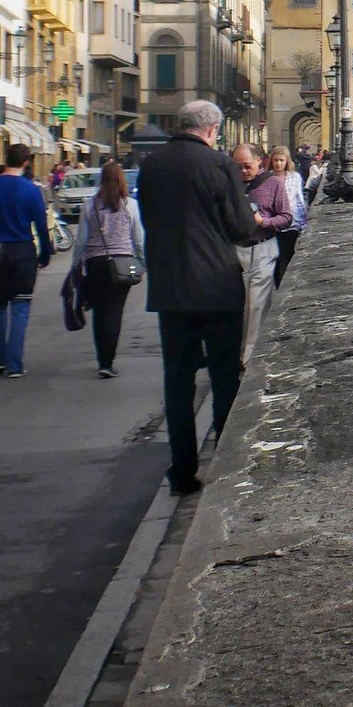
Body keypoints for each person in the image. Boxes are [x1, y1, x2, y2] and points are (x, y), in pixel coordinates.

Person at [139, 100, 261, 496]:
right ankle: (226, 467)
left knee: (177, 382)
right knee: (224, 377)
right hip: (216, 287)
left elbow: (148, 220)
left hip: (171, 290)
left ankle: (182, 471)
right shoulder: (219, 165)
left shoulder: (151, 165)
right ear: (212, 129)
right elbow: (242, 226)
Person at [0, 144, 55, 376]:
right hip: (21, 251)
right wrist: (45, 254)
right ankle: (14, 364)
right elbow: (41, 225)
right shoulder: (30, 190)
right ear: (26, 163)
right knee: (20, 306)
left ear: (5, 159)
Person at [68, 160, 145, 377]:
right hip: (123, 264)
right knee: (115, 312)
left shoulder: (89, 205)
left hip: (96, 264)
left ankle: (102, 359)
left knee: (100, 312)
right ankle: (108, 361)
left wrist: (76, 264)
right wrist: (142, 261)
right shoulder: (130, 205)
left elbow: (81, 240)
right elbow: (138, 238)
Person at [235, 143, 292, 360]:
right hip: (236, 250)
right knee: (241, 306)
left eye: (246, 166)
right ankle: (244, 351)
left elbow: (287, 217)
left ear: (259, 160)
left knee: (256, 304)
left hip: (263, 249)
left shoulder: (273, 184)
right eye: (237, 166)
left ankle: (249, 357)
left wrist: (264, 221)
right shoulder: (232, 184)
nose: (242, 171)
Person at [270, 146, 307, 284]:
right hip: (273, 224)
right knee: (276, 257)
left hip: (292, 223)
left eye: (281, 160)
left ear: (287, 161)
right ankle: (278, 283)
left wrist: (303, 223)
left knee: (288, 255)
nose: (278, 163)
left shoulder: (295, 177)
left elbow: (299, 200)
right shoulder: (267, 177)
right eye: (276, 160)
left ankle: (285, 284)